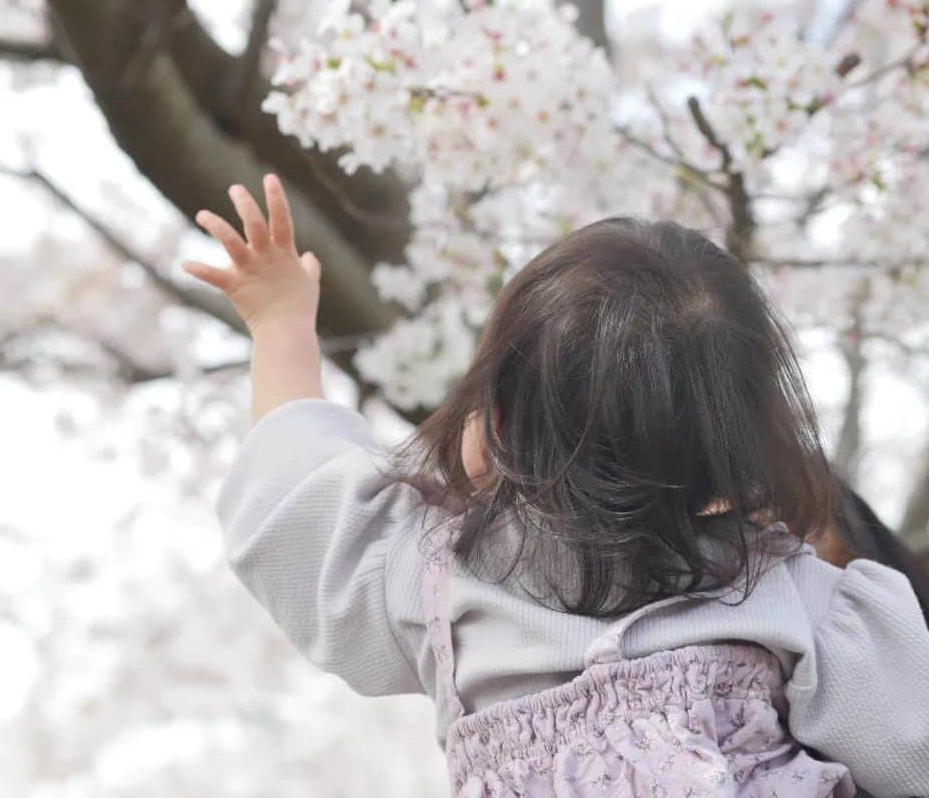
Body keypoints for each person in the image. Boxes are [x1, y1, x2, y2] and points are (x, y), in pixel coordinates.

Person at [181, 174, 929, 797]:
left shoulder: (436, 577)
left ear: (500, 417)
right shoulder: (798, 598)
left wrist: (280, 326)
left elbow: (297, 496)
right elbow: (908, 751)